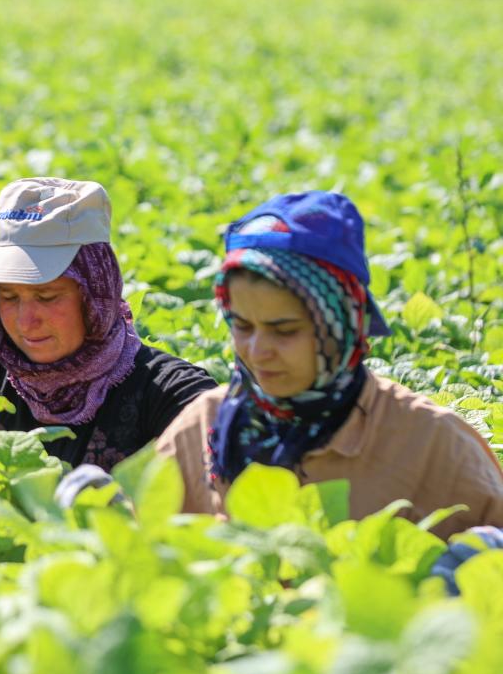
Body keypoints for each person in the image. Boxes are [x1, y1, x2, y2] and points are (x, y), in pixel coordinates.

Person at [157, 191, 503, 542]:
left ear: (341, 326)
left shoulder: (431, 445)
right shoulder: (204, 428)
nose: (258, 351)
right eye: (242, 326)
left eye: (284, 330)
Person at [0, 177, 216, 471]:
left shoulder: (177, 401)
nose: (26, 321)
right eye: (9, 296)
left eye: (47, 296)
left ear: (96, 292)